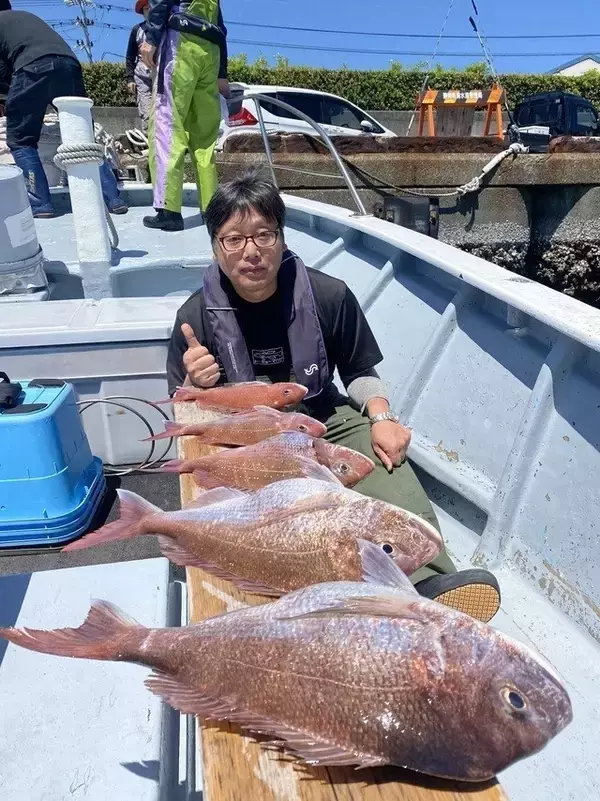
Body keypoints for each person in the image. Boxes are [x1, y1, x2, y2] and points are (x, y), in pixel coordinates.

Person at [166, 171, 502, 624]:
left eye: (264, 235)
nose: (251, 251)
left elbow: (361, 372)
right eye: (233, 239)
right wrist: (200, 384)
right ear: (215, 246)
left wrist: (382, 416)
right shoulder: (195, 317)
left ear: (282, 237)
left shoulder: (328, 296)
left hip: (324, 417)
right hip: (246, 438)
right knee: (244, 517)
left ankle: (429, 583)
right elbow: (183, 407)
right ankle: (282, 611)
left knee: (386, 460)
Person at [0, 1, 127, 217]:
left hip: (32, 67)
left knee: (21, 139)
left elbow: (2, 71)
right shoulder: (23, 18)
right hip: (69, 65)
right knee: (82, 136)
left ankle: (40, 203)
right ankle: (113, 198)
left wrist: (6, 98)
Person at [140, 0, 228, 232]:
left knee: (168, 127)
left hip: (182, 43)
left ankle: (169, 210)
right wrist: (222, 72)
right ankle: (212, 211)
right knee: (205, 137)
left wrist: (151, 36)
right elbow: (220, 22)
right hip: (211, 48)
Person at [125, 0, 153, 132]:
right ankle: (148, 139)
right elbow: (130, 56)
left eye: (152, 8)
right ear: (143, 12)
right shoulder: (137, 30)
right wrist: (130, 78)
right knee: (146, 111)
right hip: (142, 76)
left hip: (162, 75)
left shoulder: (167, 29)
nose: (150, 11)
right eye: (147, 9)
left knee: (165, 110)